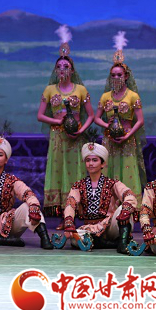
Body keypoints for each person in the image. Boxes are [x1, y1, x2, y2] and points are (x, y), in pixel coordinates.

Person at [37, 25, 94, 217]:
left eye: (66, 66)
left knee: (75, 170)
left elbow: (91, 115)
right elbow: (40, 115)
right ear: (55, 70)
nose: (62, 69)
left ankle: (76, 210)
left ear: (72, 70)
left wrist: (81, 130)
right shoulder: (49, 90)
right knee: (58, 170)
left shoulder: (81, 90)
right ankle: (62, 213)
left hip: (74, 137)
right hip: (57, 137)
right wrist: (57, 122)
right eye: (59, 67)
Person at [94, 32, 146, 204]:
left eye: (119, 75)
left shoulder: (132, 96)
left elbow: (140, 120)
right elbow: (96, 118)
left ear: (126, 76)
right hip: (109, 140)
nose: (116, 77)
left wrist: (128, 135)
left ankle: (129, 207)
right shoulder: (105, 96)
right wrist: (106, 126)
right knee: (109, 170)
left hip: (127, 140)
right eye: (113, 75)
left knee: (127, 170)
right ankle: (109, 207)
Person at [62, 141, 137, 253]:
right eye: (88, 160)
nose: (90, 163)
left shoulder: (112, 183)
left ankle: (120, 244)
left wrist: (126, 208)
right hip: (90, 229)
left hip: (109, 227)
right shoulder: (78, 185)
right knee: (75, 239)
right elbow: (70, 203)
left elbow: (129, 194)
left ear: (102, 164)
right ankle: (113, 244)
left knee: (124, 209)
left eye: (94, 160)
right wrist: (69, 221)